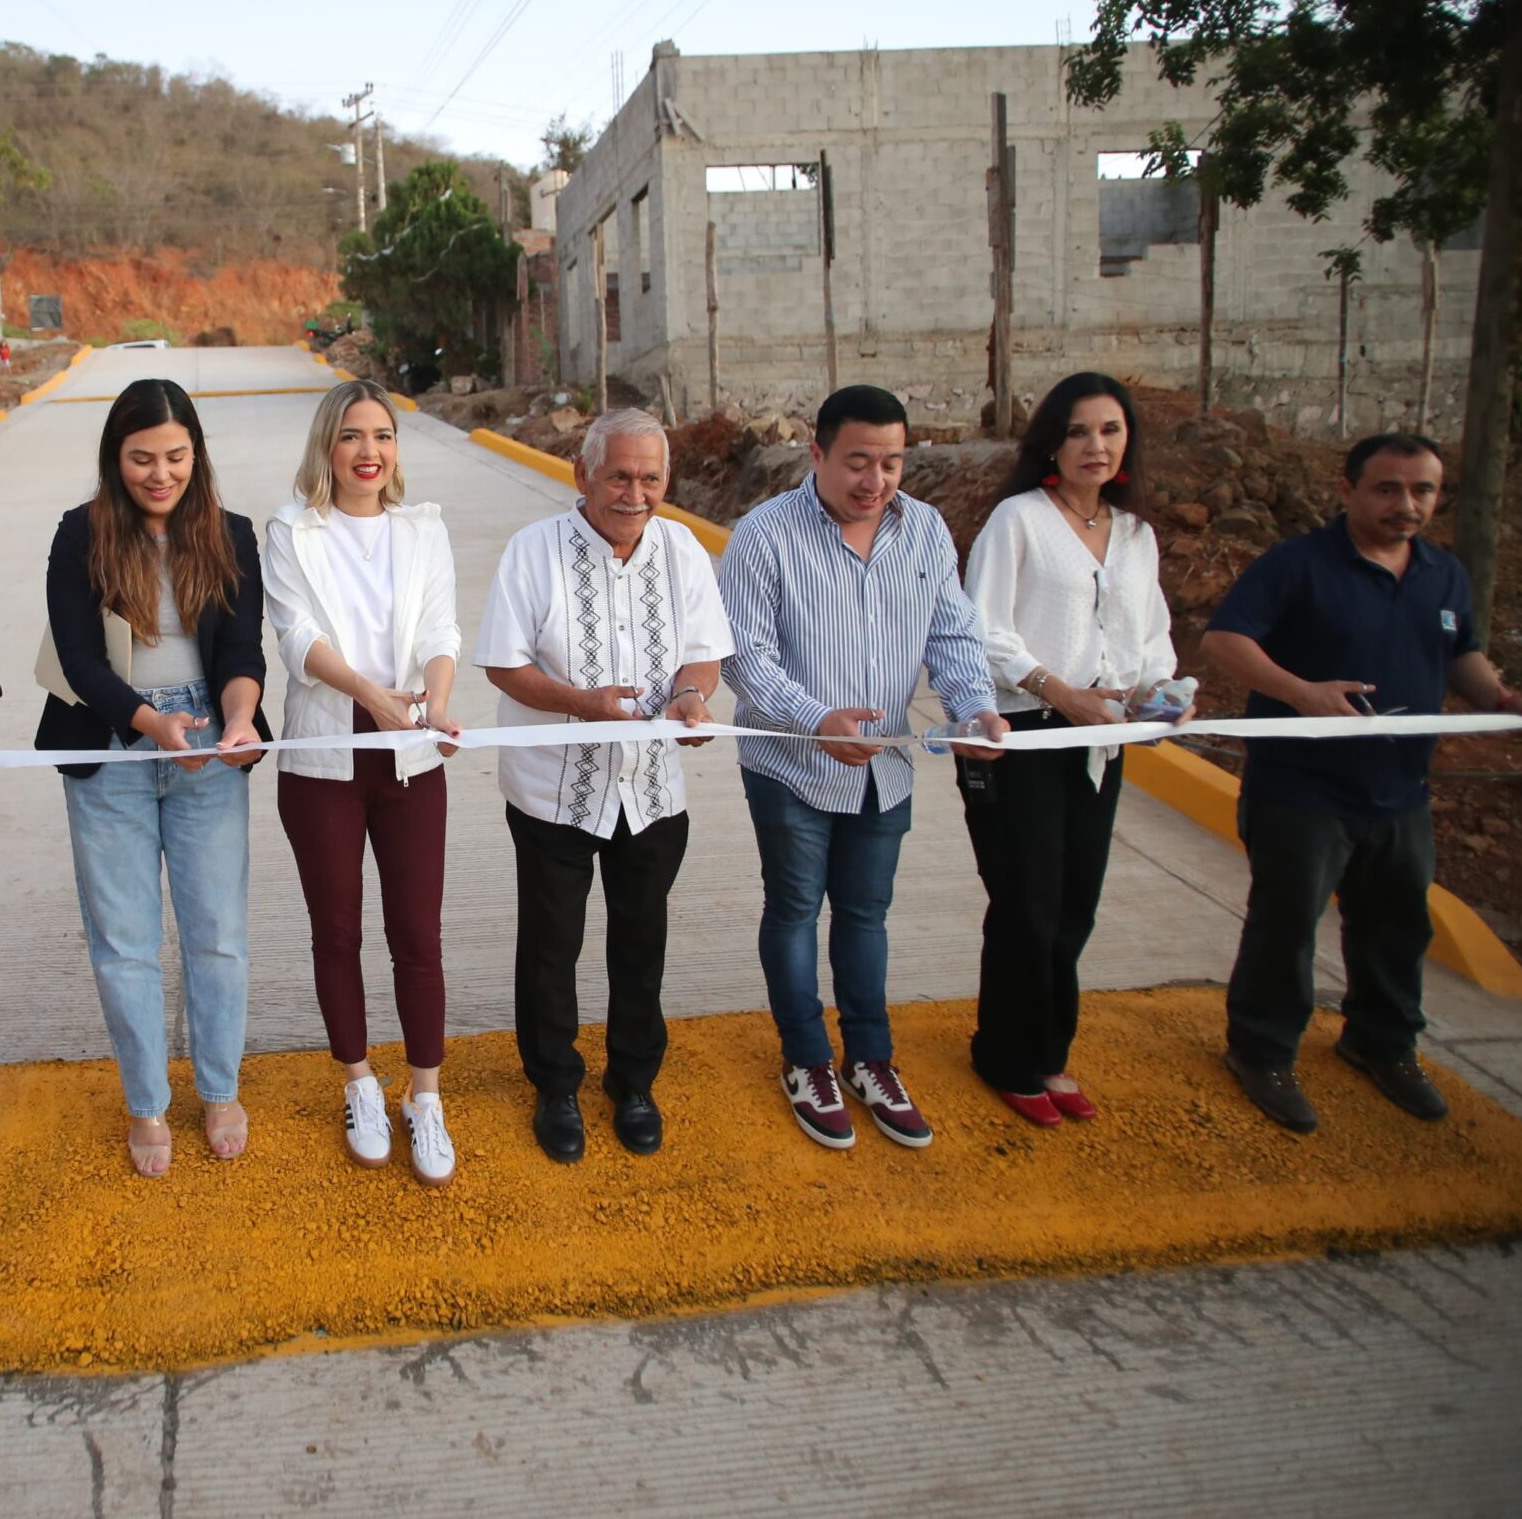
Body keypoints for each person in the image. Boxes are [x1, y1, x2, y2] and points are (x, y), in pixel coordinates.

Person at [1202, 432, 1522, 1133]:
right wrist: (1300, 691)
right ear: (1348, 490)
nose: (1407, 504)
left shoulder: (1443, 574)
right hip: (1301, 792)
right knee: (1286, 930)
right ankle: (1263, 1052)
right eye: (1388, 489)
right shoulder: (1299, 567)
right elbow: (1225, 641)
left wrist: (1503, 700)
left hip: (1400, 792)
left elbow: (1462, 653)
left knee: (1397, 928)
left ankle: (1382, 1043)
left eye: (1422, 491)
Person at [718, 384, 1005, 1153]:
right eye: (856, 462)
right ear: (816, 454)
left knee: (868, 915)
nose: (874, 480)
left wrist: (975, 706)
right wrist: (816, 718)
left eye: (890, 462)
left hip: (886, 770)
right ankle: (807, 1059)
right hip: (790, 765)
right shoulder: (764, 536)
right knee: (795, 912)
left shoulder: (927, 532)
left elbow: (952, 634)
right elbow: (744, 656)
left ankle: (871, 1061)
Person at [475, 408, 733, 1164]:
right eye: (619, 475)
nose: (635, 492)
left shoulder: (682, 549)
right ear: (582, 475)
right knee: (552, 945)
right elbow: (503, 663)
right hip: (554, 788)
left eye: (651, 477)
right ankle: (555, 1084)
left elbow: (704, 654)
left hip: (650, 791)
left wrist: (691, 696)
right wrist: (583, 703)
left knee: (641, 940)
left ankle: (633, 1081)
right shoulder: (534, 552)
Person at [38, 378, 269, 1177]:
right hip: (114, 745)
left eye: (175, 456)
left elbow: (243, 654)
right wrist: (151, 723)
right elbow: (79, 664)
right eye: (141, 458)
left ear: (196, 456)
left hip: (209, 740)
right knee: (124, 944)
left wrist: (237, 719)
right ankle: (145, 1102)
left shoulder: (231, 534)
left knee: (218, 937)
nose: (159, 474)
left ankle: (220, 1088)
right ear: (115, 457)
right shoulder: (80, 534)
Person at [960, 373, 1185, 1128]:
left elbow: (1148, 633)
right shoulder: (1019, 521)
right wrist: (1056, 690)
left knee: (1074, 902)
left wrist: (1160, 691)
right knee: (1026, 902)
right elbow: (983, 628)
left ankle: (1050, 1053)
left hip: (1100, 740)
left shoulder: (1135, 534)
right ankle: (1006, 1056)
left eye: (1111, 431)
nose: (1097, 445)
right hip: (1024, 733)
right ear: (1052, 441)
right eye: (1081, 430)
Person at [264, 379, 464, 1185]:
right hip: (326, 758)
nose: (369, 452)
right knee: (336, 933)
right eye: (352, 436)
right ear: (327, 446)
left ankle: (425, 1096)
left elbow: (442, 628)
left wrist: (435, 707)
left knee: (417, 936)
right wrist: (377, 700)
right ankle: (358, 1084)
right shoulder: (291, 529)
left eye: (382, 436)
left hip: (410, 754)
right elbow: (296, 636)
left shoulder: (425, 529)